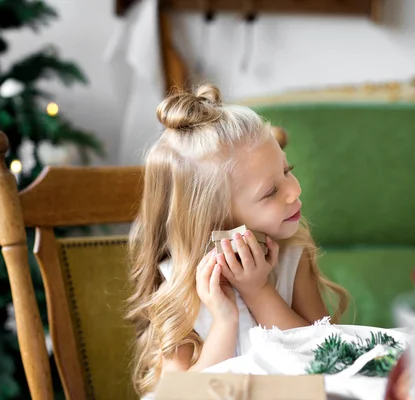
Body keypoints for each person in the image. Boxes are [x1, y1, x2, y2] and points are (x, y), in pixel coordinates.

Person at [127, 84, 349, 397]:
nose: (294, 190)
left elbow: (328, 358)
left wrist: (258, 291)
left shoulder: (292, 255)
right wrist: (224, 321)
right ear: (214, 219)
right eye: (271, 191)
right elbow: (176, 395)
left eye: (288, 170)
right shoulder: (179, 281)